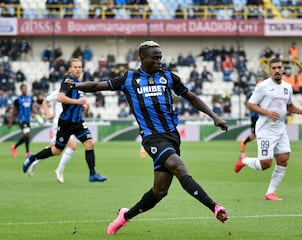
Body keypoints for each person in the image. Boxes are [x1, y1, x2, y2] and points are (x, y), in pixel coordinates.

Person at [64, 41, 229, 235]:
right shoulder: (129, 79)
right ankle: (215, 207)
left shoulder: (168, 77)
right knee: (179, 166)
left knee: (159, 192)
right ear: (142, 58)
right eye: (155, 57)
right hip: (152, 138)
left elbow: (191, 97)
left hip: (172, 137)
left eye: (160, 57)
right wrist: (77, 85)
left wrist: (214, 116)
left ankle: (124, 217)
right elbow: (98, 85)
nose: (159, 60)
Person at [234, 57, 302, 201]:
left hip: (280, 128)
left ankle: (270, 193)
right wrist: (267, 112)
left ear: (283, 69)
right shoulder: (262, 86)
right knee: (265, 164)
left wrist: (301, 111)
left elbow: (289, 106)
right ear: (270, 71)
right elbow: (250, 104)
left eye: (279, 67)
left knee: (283, 159)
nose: (277, 70)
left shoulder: (287, 87)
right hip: (265, 129)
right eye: (273, 68)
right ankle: (243, 160)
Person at [22, 58, 107, 183]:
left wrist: (85, 107)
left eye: (80, 67)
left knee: (90, 143)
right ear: (70, 69)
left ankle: (92, 174)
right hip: (66, 123)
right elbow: (61, 98)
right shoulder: (67, 82)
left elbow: (82, 107)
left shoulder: (79, 84)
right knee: (56, 150)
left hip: (78, 122)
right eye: (75, 67)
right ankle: (32, 158)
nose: (78, 69)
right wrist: (78, 102)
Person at [27, 89, 82, 183]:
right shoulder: (58, 92)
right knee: (72, 146)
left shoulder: (75, 93)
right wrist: (48, 113)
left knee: (53, 149)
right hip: (59, 123)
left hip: (69, 123)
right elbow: (45, 101)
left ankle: (34, 162)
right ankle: (59, 170)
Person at [8, 84, 34, 157]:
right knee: (27, 133)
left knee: (26, 136)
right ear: (20, 90)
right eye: (23, 89)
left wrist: (38, 112)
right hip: (21, 120)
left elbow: (31, 109)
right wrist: (10, 121)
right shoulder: (17, 99)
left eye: (25, 88)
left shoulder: (30, 98)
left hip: (28, 120)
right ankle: (27, 152)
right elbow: (13, 111)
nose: (24, 90)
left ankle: (14, 147)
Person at [239, 77, 263, 153]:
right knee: (254, 135)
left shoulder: (266, 92)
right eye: (259, 83)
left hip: (263, 116)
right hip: (255, 116)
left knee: (263, 134)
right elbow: (248, 104)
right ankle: (244, 143)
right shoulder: (253, 93)